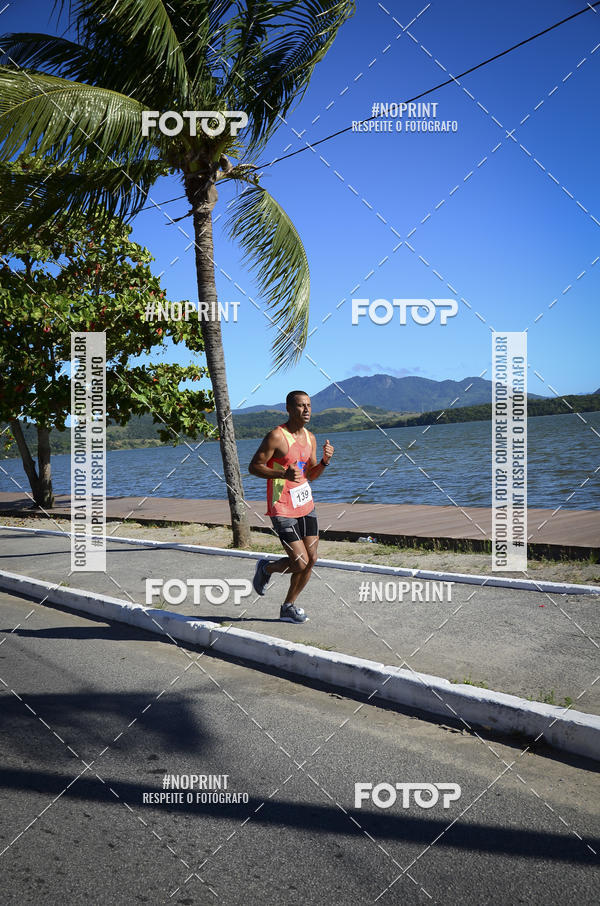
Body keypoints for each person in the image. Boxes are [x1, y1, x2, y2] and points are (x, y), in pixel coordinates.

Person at [248, 390, 334, 622]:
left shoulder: (311, 438)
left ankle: (288, 606)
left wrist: (325, 461)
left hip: (305, 504)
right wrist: (281, 473)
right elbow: (254, 467)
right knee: (300, 561)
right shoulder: (277, 436)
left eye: (309, 405)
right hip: (281, 506)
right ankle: (267, 569)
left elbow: (311, 475)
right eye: (300, 405)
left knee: (312, 559)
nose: (306, 410)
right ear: (288, 409)